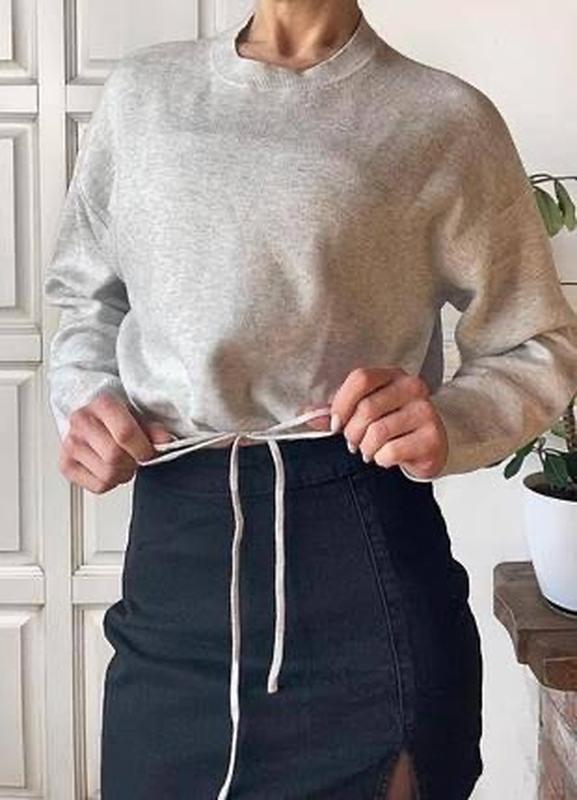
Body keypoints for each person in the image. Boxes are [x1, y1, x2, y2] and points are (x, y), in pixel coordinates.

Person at [43, 2, 577, 798]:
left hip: (360, 566)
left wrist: (447, 420)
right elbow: (88, 299)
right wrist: (88, 401)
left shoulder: (442, 118)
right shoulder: (141, 96)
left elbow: (536, 342)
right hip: (173, 573)